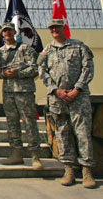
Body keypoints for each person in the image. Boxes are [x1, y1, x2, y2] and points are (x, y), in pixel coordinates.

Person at [38, 19, 96, 188]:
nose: (54, 30)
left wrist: (76, 89)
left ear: (64, 28)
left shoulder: (79, 47)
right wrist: (56, 90)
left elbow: (88, 69)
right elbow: (42, 71)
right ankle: (68, 169)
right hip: (58, 98)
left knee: (83, 133)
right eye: (51, 28)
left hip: (78, 97)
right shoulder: (47, 51)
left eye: (57, 27)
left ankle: (87, 171)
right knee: (62, 134)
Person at [0, 22, 43, 170]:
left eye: (9, 30)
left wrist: (18, 73)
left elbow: (36, 68)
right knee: (12, 123)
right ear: (2, 34)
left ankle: (35, 156)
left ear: (14, 31)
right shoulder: (0, 52)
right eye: (5, 31)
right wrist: (3, 74)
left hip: (24, 92)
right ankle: (16, 154)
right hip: (8, 92)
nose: (7, 33)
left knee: (29, 123)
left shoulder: (25, 49)